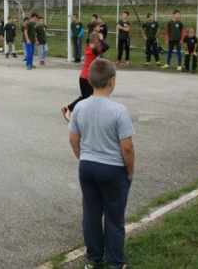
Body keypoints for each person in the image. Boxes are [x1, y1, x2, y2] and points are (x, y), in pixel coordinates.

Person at [68, 59, 135, 269]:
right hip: (113, 169)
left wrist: (84, 158)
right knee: (114, 217)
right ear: (112, 81)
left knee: (91, 214)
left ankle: (93, 259)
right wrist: (130, 171)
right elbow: (127, 147)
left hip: (87, 167)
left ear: (90, 79)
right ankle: (116, 262)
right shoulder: (119, 110)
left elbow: (73, 139)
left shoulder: (79, 106)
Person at [62, 32, 110, 122]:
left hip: (83, 77)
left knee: (87, 97)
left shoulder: (88, 47)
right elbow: (106, 46)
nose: (100, 43)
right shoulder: (94, 50)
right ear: (96, 41)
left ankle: (75, 111)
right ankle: (68, 108)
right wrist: (102, 39)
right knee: (88, 98)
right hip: (87, 78)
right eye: (98, 41)